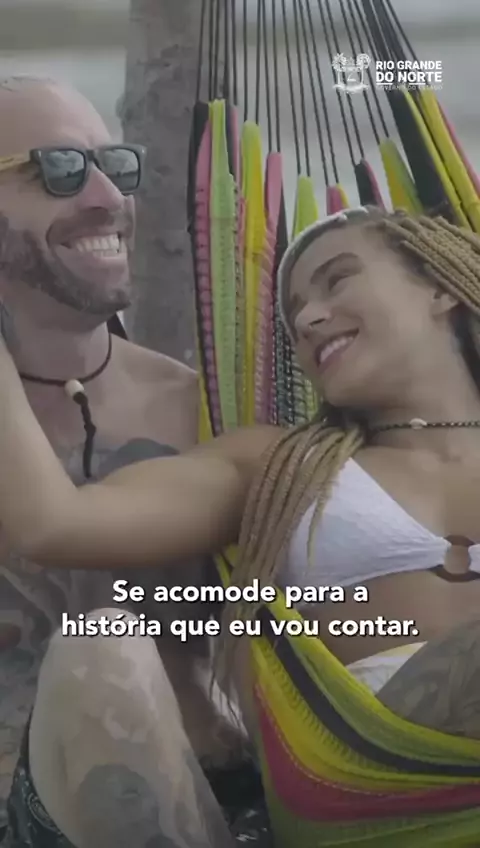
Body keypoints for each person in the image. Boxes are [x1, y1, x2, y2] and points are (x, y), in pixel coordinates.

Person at [3, 201, 480, 843]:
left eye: (338, 280)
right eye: (295, 313)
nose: (308, 319)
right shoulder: (276, 466)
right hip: (360, 779)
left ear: (441, 288)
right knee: (99, 645)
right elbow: (53, 524)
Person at [0, 76, 248, 848]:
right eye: (59, 171)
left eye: (116, 165)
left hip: (217, 802)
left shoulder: (205, 408)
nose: (108, 196)